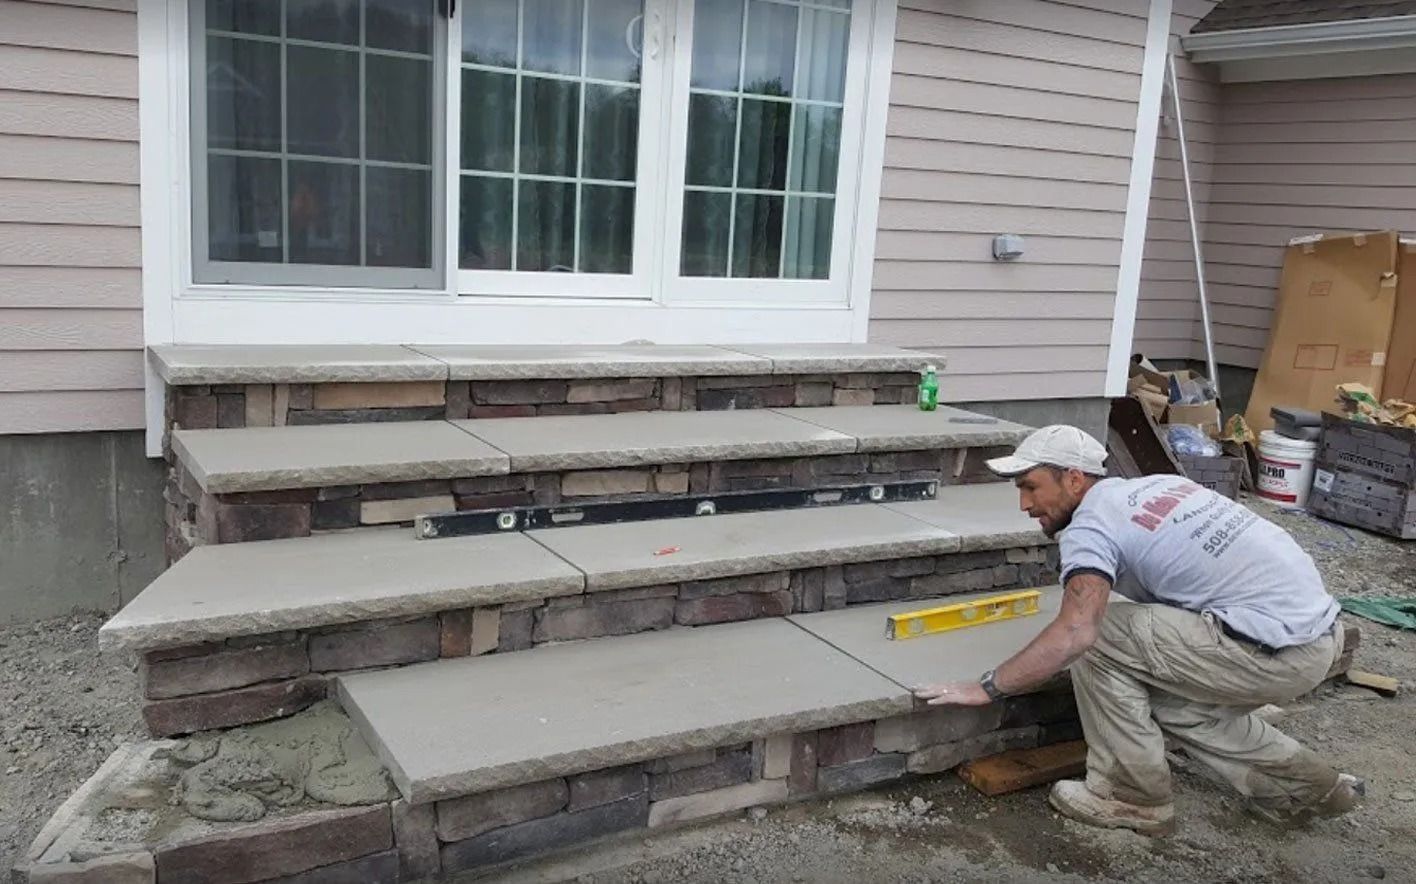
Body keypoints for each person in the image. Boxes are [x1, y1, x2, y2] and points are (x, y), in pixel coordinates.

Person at [914, 425, 1360, 835]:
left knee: (1099, 638)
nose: (1025, 504)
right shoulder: (1158, 487)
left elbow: (1076, 632)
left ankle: (1130, 795)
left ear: (1073, 480)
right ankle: (1306, 789)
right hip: (1316, 637)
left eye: (1031, 487)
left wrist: (988, 687)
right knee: (1172, 704)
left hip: (1267, 649)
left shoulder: (1089, 525)